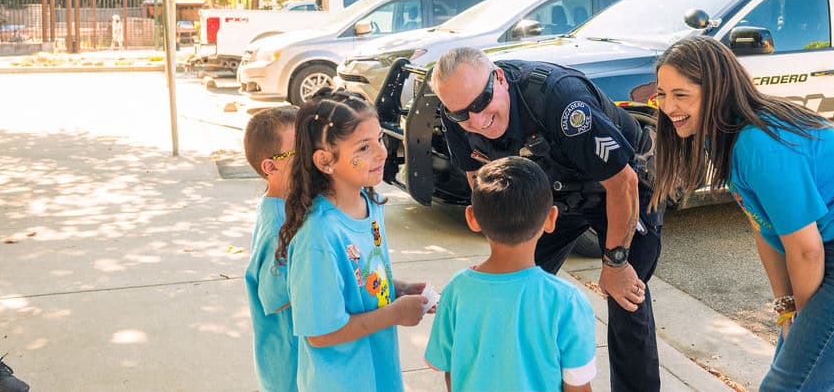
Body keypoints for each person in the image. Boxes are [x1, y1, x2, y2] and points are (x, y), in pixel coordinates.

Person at [652, 36, 834, 392]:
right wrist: (786, 308)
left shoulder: (757, 141)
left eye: (681, 94)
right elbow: (765, 229)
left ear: (718, 90)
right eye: (661, 94)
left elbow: (805, 250)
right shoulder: (725, 136)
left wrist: (801, 317)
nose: (668, 106)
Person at [429, 47, 662, 392]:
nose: (475, 121)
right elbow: (480, 183)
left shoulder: (561, 99)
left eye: (481, 103)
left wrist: (615, 263)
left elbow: (622, 182)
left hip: (618, 187)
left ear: (499, 78)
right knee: (513, 283)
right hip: (549, 195)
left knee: (627, 297)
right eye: (462, 113)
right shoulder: (455, 115)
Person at [275, 90, 429, 392]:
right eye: (364, 147)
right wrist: (394, 314)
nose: (381, 153)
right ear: (325, 160)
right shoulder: (318, 238)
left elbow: (357, 278)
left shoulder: (369, 205)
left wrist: (397, 289)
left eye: (380, 139)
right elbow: (320, 333)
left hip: (379, 373)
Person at [425, 156, 597, 392]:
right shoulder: (567, 301)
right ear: (551, 219)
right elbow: (577, 385)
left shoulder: (456, 290)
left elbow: (451, 369)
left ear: (472, 218)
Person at [243, 105, 300, 392]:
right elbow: (277, 297)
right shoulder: (279, 225)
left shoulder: (289, 209)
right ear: (270, 167)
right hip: (289, 369)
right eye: (300, 152)